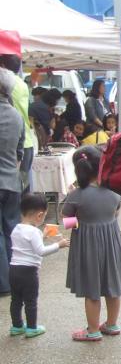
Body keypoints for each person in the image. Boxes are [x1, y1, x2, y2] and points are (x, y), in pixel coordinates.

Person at [62, 145, 121, 341]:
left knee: (92, 289)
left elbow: (67, 222)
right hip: (111, 244)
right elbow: (115, 214)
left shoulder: (76, 196)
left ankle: (92, 330)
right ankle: (111, 324)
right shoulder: (114, 191)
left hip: (87, 246)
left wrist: (81, 221)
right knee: (112, 285)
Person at [9, 193, 69, 338]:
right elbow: (40, 251)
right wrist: (58, 245)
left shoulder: (16, 228)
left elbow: (26, 245)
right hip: (29, 272)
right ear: (39, 215)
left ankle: (17, 326)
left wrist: (43, 236)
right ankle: (32, 328)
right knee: (30, 301)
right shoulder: (34, 231)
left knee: (16, 300)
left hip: (14, 270)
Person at [0, 68, 25, 297]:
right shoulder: (17, 116)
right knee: (11, 232)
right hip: (12, 181)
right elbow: (20, 152)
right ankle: (16, 279)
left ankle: (4, 284)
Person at [0, 55, 34, 193]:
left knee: (16, 190)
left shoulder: (7, 85)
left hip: (14, 144)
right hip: (27, 142)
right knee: (22, 188)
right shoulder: (22, 84)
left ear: (2, 65)